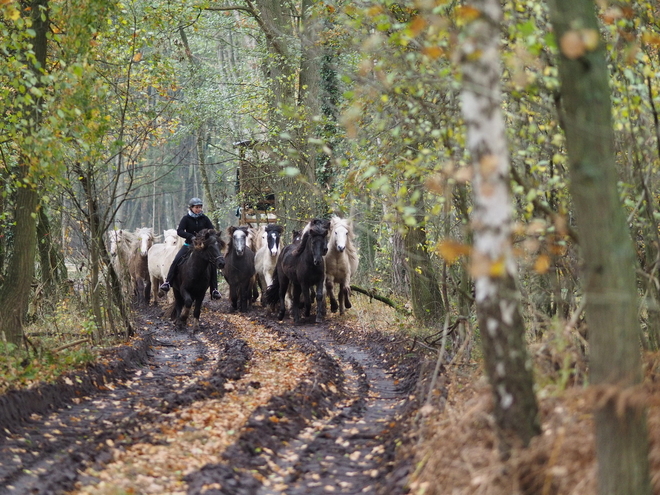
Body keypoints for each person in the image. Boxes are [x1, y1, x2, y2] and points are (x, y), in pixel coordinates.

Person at [159, 197, 222, 300]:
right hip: (189, 245)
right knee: (176, 260)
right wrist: (191, 237)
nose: (198, 209)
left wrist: (208, 235)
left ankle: (214, 290)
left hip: (203, 247)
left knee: (212, 265)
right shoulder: (186, 219)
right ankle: (168, 282)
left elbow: (211, 230)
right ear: (191, 208)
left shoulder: (204, 218)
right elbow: (180, 231)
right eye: (196, 207)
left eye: (200, 207)